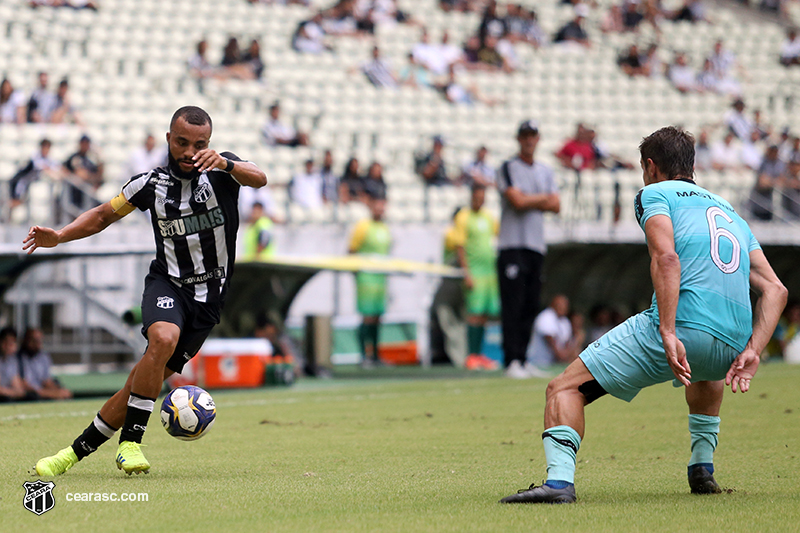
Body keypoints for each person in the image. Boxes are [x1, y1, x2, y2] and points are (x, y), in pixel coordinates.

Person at [500, 126, 787, 504]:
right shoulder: (729, 210)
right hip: (732, 348)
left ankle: (558, 483)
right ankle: (702, 467)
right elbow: (776, 289)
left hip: (681, 330)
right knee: (703, 369)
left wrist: (667, 331)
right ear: (692, 165)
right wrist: (754, 349)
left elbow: (666, 257)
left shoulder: (654, 194)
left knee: (564, 388)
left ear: (650, 166)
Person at [28, 106, 267, 476]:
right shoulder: (150, 184)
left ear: (209, 143)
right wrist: (59, 236)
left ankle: (69, 456)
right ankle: (131, 443)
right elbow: (103, 215)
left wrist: (225, 164)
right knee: (163, 337)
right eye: (182, 142)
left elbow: (260, 178)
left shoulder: (224, 172)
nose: (190, 151)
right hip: (167, 284)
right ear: (169, 139)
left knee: (137, 385)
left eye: (199, 144)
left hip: (208, 301)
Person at [496, 120, 560, 379]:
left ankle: (523, 358)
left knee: (531, 303)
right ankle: (511, 359)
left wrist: (532, 200)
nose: (529, 140)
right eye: (525, 136)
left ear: (538, 138)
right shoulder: (508, 167)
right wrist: (541, 199)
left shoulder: (545, 171)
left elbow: (556, 204)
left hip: (535, 245)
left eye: (532, 136)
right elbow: (516, 200)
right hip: (512, 245)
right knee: (513, 303)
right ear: (518, 139)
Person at [453, 184, 500, 371]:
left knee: (484, 315)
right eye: (477, 197)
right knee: (474, 314)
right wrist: (467, 273)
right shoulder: (463, 217)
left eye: (483, 197)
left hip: (489, 273)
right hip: (475, 272)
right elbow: (460, 246)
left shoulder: (488, 217)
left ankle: (479, 355)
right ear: (472, 197)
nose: (480, 200)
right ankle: (471, 355)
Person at [349, 194, 391, 368]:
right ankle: (363, 356)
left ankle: (375, 355)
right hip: (366, 278)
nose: (380, 209)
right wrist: (356, 273)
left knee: (378, 317)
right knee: (367, 316)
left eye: (383, 205)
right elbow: (351, 251)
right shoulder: (362, 227)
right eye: (377, 205)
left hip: (381, 279)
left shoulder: (384, 228)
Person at [525, 295, 583, 375]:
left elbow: (566, 346)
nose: (563, 307)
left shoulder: (565, 321)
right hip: (538, 363)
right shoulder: (546, 316)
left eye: (565, 305)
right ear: (552, 305)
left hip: (554, 365)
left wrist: (576, 341)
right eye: (560, 304)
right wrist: (567, 357)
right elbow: (554, 348)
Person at [18, 327, 72, 400]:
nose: (36, 343)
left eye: (39, 340)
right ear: (25, 340)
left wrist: (58, 391)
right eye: (33, 340)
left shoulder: (44, 357)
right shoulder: (18, 358)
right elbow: (23, 385)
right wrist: (48, 393)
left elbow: (46, 381)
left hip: (42, 392)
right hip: (30, 395)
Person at [8, 138, 61, 210]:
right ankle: (15, 201)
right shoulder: (35, 156)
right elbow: (42, 167)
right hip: (24, 178)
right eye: (45, 148)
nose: (46, 150)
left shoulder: (49, 158)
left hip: (32, 180)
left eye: (48, 148)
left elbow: (56, 167)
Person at [748, 145, 785, 221]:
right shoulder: (763, 162)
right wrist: (773, 181)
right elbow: (762, 182)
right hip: (762, 195)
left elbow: (782, 179)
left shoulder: (780, 163)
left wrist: (771, 181)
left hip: (774, 193)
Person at [0, 327, 25, 402]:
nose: (8, 346)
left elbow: (19, 389)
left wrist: (13, 392)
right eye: (5, 342)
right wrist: (13, 392)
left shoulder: (12, 361)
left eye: (12, 343)